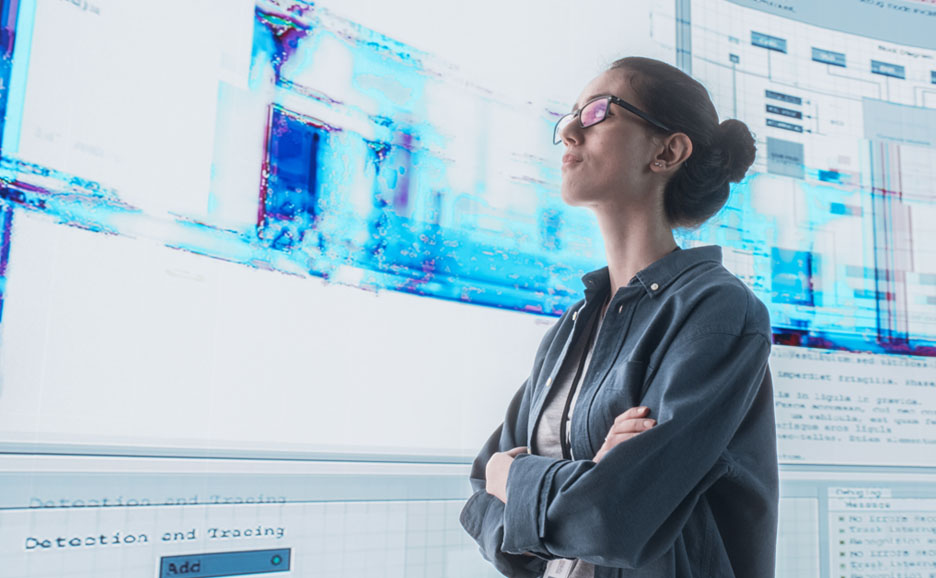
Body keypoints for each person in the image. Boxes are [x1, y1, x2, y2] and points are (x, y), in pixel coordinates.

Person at [459, 57, 777, 578]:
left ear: (667, 151)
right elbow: (479, 497)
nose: (568, 131)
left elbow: (615, 518)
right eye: (569, 116)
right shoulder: (572, 327)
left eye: (596, 112)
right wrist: (586, 478)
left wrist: (517, 481)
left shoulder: (718, 311)